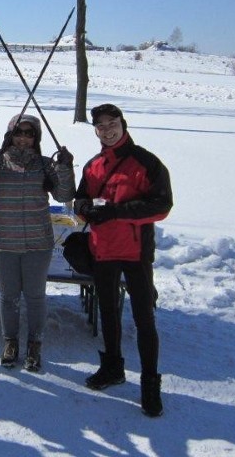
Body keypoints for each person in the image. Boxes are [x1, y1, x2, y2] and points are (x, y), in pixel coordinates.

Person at [73, 103, 173, 417]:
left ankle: (150, 384)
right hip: (102, 250)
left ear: (123, 124)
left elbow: (162, 206)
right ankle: (113, 367)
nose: (107, 130)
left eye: (112, 123)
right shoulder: (93, 166)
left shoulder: (147, 162)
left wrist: (116, 212)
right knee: (108, 313)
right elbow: (81, 201)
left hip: (136, 254)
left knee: (144, 319)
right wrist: (86, 209)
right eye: (100, 126)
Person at [0, 114, 75, 372]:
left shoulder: (44, 164)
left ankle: (35, 343)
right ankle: (10, 342)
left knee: (35, 296)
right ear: (10, 135)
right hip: (4, 241)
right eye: (19, 133)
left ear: (36, 138)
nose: (24, 138)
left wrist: (65, 168)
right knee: (8, 297)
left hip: (38, 242)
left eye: (30, 133)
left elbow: (64, 195)